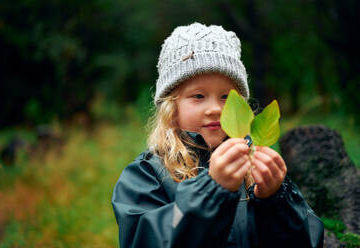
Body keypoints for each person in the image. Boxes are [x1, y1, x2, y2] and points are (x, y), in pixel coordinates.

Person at [112, 22, 324, 248]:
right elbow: (145, 240)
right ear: (172, 109)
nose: (215, 108)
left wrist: (275, 200)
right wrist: (212, 190)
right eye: (198, 96)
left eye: (225, 97)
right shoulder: (147, 175)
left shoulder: (254, 169)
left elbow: (308, 241)